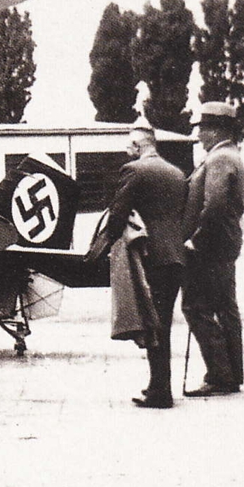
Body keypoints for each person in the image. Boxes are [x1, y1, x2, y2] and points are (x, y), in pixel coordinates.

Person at [88, 125, 187, 408]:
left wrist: (96, 252)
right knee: (163, 324)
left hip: (149, 257)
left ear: (138, 146)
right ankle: (160, 387)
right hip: (175, 258)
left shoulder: (134, 170)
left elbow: (118, 214)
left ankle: (160, 392)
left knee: (152, 325)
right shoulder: (177, 173)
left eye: (128, 148)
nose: (126, 153)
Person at [181, 101, 244, 397]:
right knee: (226, 308)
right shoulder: (230, 156)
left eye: (203, 129)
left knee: (196, 307)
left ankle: (220, 376)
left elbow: (215, 205)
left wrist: (196, 239)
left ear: (217, 129)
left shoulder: (220, 159)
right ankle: (231, 374)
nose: (199, 136)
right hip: (224, 246)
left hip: (210, 248)